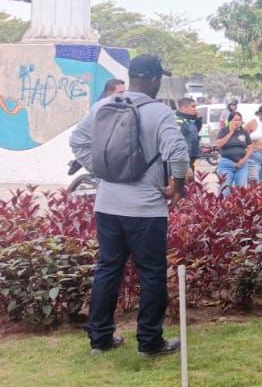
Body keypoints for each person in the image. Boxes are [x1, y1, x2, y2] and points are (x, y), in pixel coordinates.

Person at [70, 54, 187, 357]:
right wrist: (177, 186)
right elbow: (178, 153)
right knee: (151, 273)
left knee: (108, 269)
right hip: (145, 209)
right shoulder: (159, 112)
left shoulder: (104, 105)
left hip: (107, 205)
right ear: (154, 79)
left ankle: (101, 340)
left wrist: (102, 171)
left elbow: (78, 141)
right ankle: (149, 343)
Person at [213, 112, 252, 190]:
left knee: (240, 190)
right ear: (230, 121)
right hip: (226, 164)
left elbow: (250, 148)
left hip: (241, 165)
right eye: (235, 120)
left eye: (239, 120)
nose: (237, 122)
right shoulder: (224, 130)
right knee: (225, 190)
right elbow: (218, 144)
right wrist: (231, 132)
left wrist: (243, 160)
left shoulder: (244, 132)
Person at [175, 98, 202, 173]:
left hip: (191, 158)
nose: (195, 109)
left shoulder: (189, 120)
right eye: (193, 107)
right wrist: (185, 165)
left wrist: (199, 119)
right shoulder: (179, 121)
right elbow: (177, 144)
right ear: (184, 107)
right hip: (183, 160)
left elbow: (194, 133)